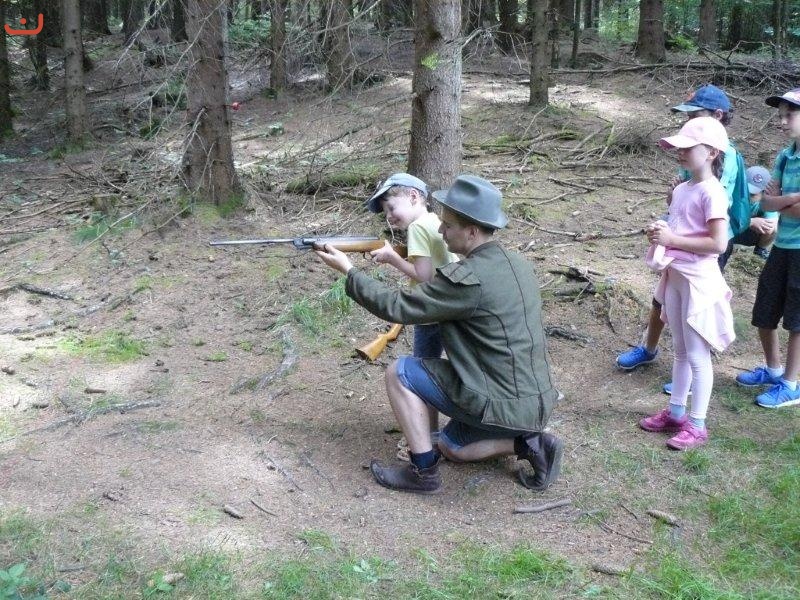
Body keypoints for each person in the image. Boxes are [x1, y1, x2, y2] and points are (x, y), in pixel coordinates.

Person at [315, 175, 564, 493]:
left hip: (497, 397)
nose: (441, 230)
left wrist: (349, 271)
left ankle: (423, 473)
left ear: (471, 232)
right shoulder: (518, 264)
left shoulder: (468, 279)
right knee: (452, 446)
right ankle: (533, 444)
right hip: (532, 400)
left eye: (448, 225)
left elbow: (397, 306)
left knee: (400, 372)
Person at [617, 85, 742, 378]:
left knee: (697, 311)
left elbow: (713, 218)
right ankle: (652, 350)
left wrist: (673, 237)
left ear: (717, 116)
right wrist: (671, 205)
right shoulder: (691, 158)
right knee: (664, 302)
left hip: (699, 251)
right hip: (678, 251)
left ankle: (697, 371)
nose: (688, 123)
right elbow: (681, 204)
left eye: (695, 116)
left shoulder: (723, 160)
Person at [639, 117, 735, 450]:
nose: (679, 152)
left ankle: (697, 424)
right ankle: (676, 412)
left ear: (711, 152)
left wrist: (672, 239)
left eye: (687, 148)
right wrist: (660, 233)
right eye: (678, 148)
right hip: (676, 277)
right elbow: (679, 229)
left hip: (698, 281)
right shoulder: (681, 189)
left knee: (697, 354)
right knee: (680, 349)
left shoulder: (713, 192)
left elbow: (718, 243)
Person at [365, 173, 458, 456]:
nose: (389, 216)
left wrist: (393, 258)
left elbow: (423, 275)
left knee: (422, 375)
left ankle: (427, 436)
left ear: (414, 197)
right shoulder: (435, 222)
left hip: (429, 314)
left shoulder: (417, 228)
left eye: (391, 207)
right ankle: (436, 432)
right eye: (385, 212)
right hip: (450, 310)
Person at [735, 89, 800, 408]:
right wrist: (790, 198)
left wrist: (780, 200)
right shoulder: (784, 156)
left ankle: (791, 384)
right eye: (781, 116)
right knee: (765, 308)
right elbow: (767, 202)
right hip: (782, 246)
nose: (783, 121)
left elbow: (786, 206)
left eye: (790, 115)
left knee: (797, 319)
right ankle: (774, 371)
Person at [717, 166, 778, 267]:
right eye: (745, 191)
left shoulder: (767, 201)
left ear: (764, 193)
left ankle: (760, 249)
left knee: (773, 228)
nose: (747, 196)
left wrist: (766, 225)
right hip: (728, 232)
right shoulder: (731, 192)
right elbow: (719, 218)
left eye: (753, 194)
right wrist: (750, 222)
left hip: (748, 235)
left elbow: (772, 225)